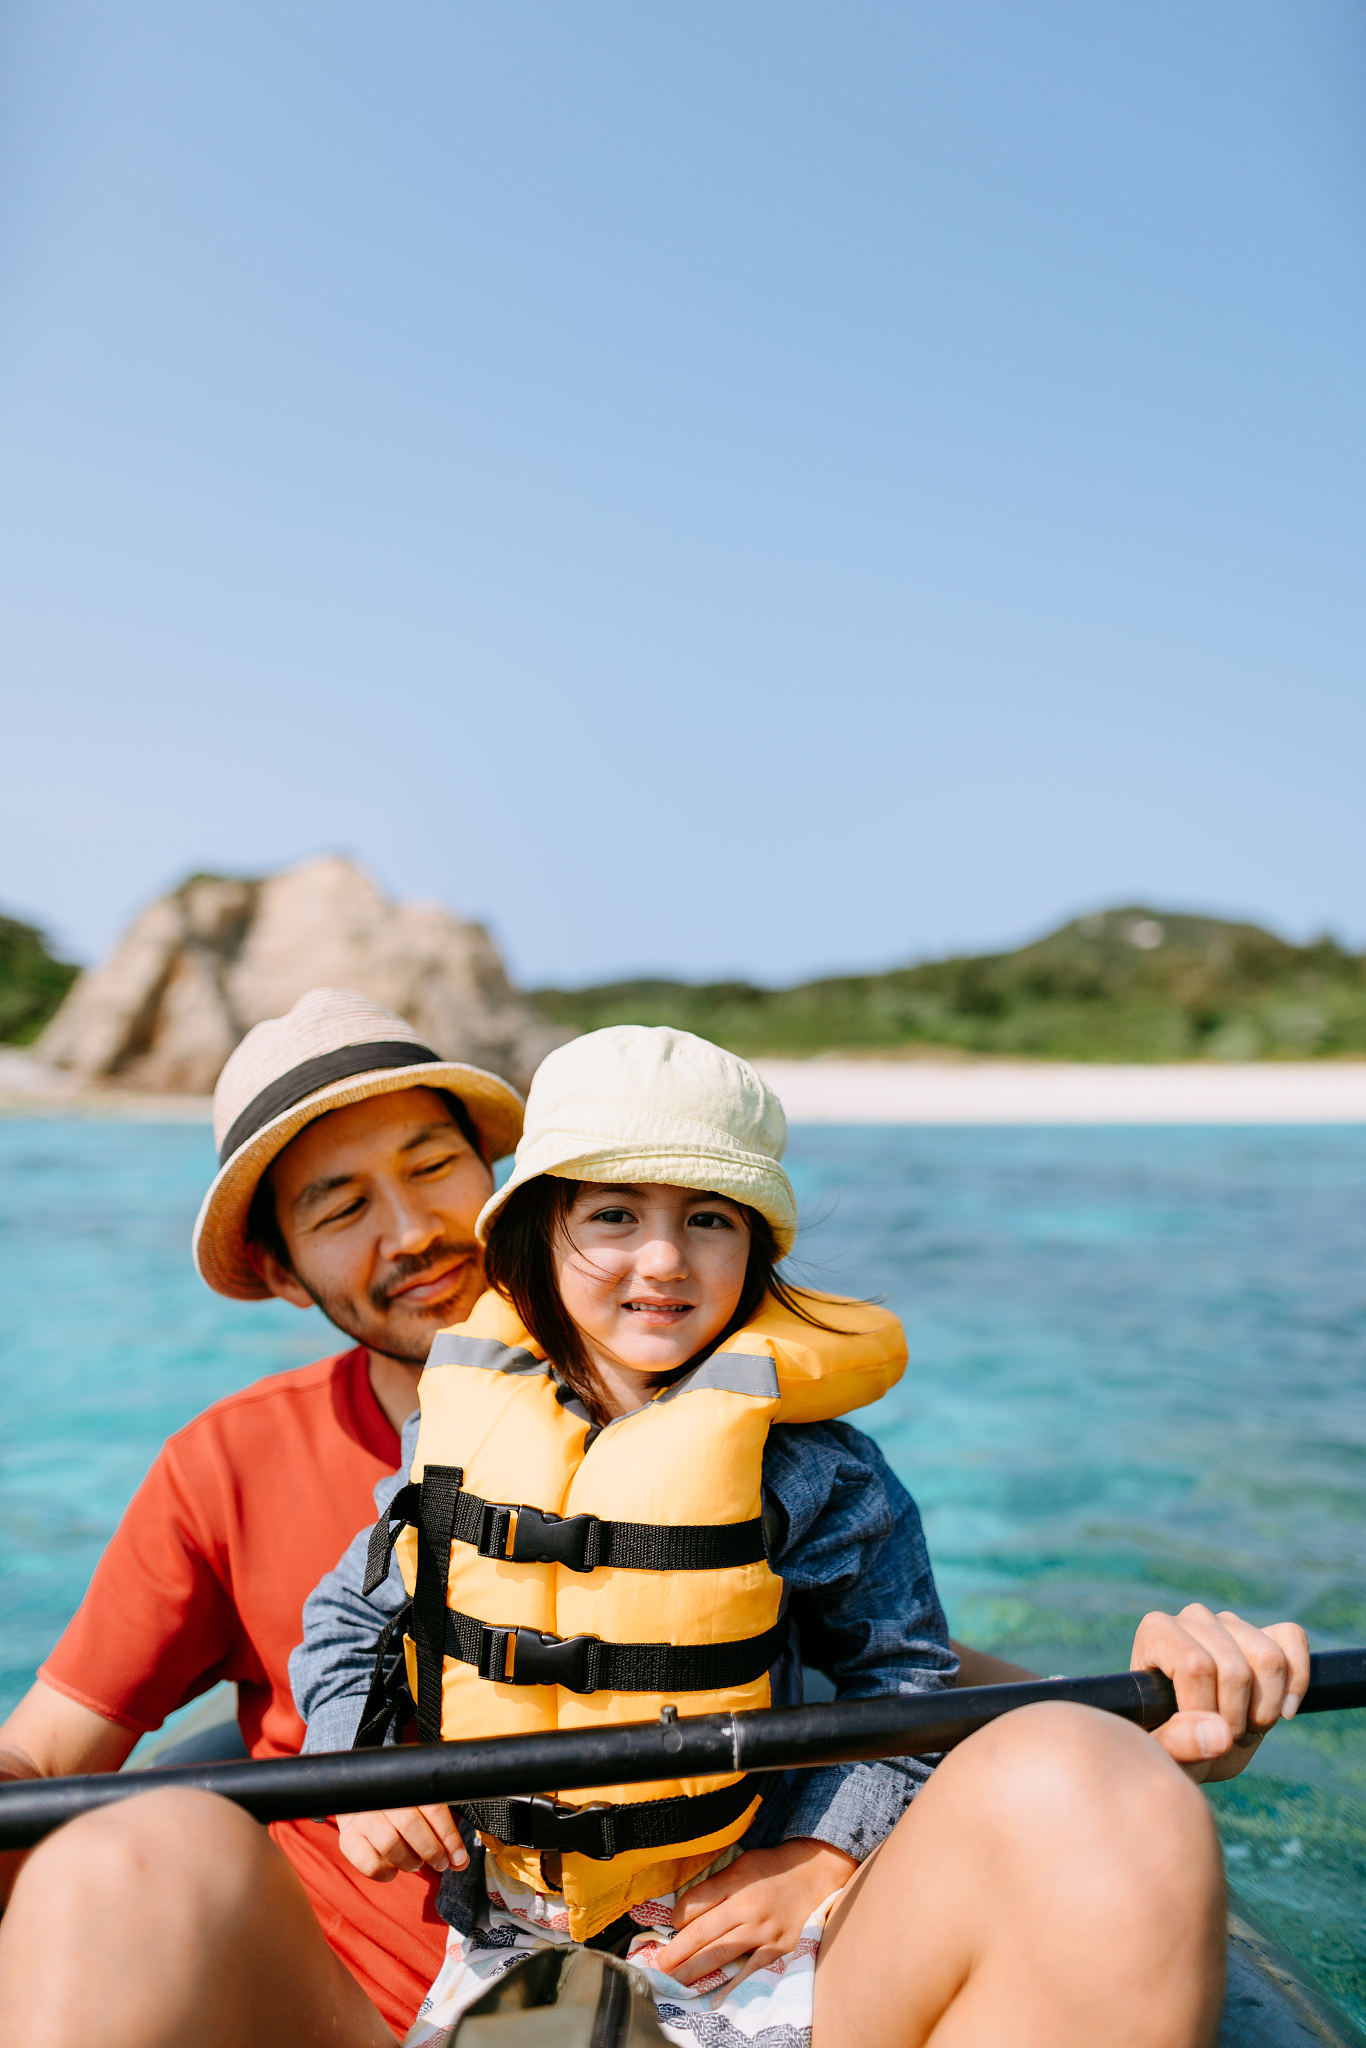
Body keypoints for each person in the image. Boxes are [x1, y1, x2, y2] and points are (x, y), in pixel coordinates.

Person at [290, 1025, 1311, 2048]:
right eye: (611, 1215)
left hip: (740, 1932)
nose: (663, 1259)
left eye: (706, 1219)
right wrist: (359, 1757)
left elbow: (901, 1682)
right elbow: (343, 1616)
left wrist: (821, 1857)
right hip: (507, 1935)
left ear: (756, 1251)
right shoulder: (458, 1435)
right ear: (534, 1242)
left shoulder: (821, 1469)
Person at [0, 988, 525, 2042]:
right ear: (283, 1271)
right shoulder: (227, 1461)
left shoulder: (717, 1413)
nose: (415, 1230)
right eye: (341, 1209)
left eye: (432, 1168)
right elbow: (46, 1759)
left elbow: (914, 1667)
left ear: (497, 1178)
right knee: (116, 1856)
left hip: (716, 1976)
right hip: (355, 2008)